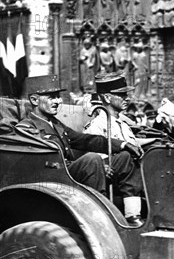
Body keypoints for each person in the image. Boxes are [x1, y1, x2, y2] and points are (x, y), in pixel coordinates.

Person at [16, 75, 144, 227]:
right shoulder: (26, 128)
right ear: (35, 100)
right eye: (51, 97)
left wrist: (123, 144)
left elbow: (86, 140)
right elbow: (44, 163)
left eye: (58, 97)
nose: (58, 101)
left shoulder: (56, 124)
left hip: (66, 174)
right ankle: (102, 217)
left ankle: (133, 215)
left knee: (124, 157)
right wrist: (97, 165)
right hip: (53, 178)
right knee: (92, 159)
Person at [84, 72, 151, 227]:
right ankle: (132, 216)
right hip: (113, 178)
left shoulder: (123, 124)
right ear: (107, 98)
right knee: (127, 156)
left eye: (126, 94)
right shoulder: (98, 124)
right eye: (121, 95)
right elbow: (94, 157)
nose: (126, 98)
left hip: (129, 178)